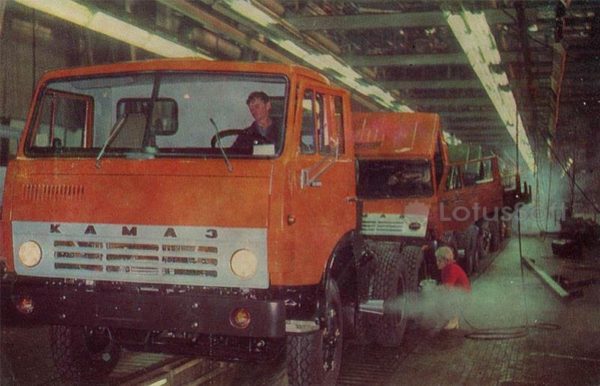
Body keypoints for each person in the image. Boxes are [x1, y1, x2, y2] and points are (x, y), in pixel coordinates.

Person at [435, 246, 471, 330]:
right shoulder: (445, 269)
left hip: (463, 297)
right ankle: (449, 319)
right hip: (459, 294)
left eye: (439, 261)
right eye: (437, 260)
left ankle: (454, 320)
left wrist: (433, 289)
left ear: (446, 261)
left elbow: (447, 288)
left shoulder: (451, 269)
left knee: (441, 297)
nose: (437, 263)